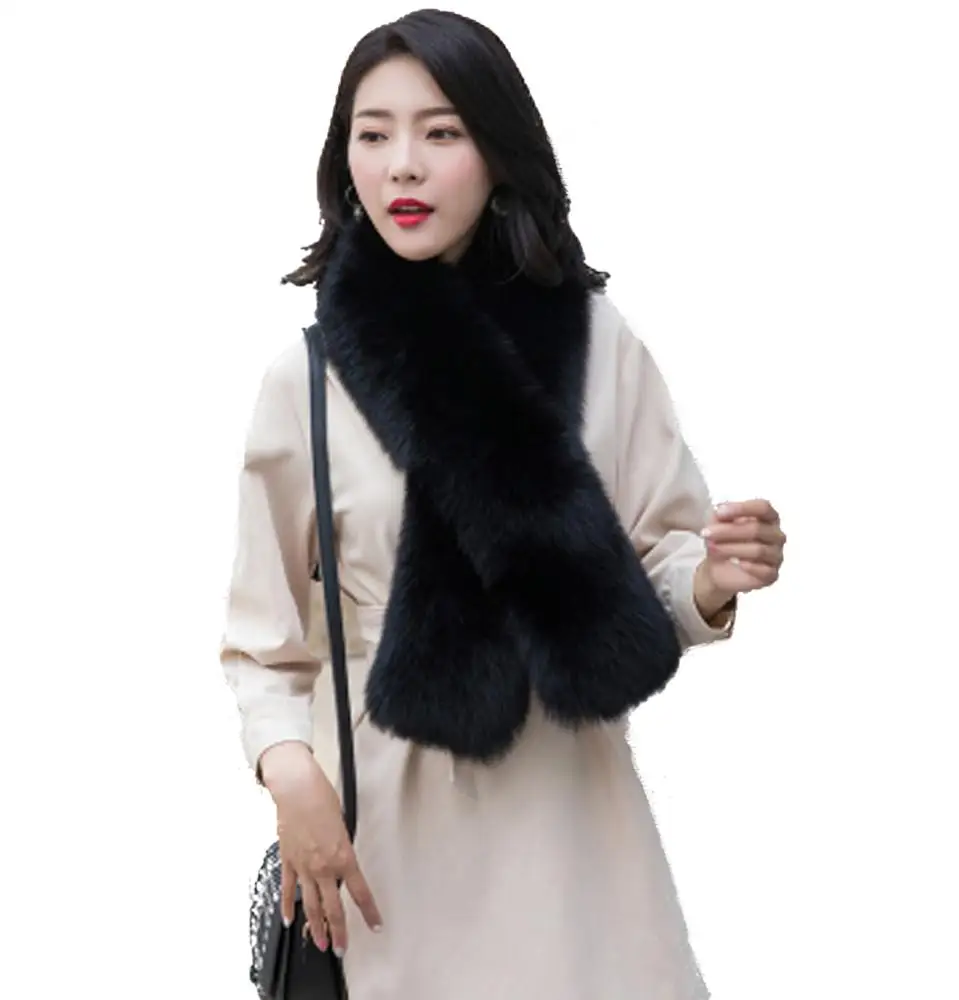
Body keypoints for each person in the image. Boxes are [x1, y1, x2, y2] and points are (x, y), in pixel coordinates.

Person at [220, 8, 786, 999]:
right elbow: (261, 645)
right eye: (372, 134)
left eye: (440, 132)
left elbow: (659, 563)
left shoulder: (600, 345)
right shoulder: (304, 380)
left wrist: (712, 578)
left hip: (576, 832)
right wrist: (289, 774)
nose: (402, 165)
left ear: (497, 150)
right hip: (386, 846)